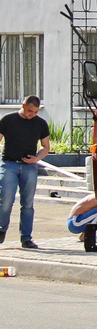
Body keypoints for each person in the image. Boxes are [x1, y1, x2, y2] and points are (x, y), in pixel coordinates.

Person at [0, 95, 50, 248]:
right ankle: (1, 230)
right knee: (6, 199)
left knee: (28, 203)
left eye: (35, 112)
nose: (32, 114)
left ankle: (26, 238)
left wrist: (37, 158)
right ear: (23, 105)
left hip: (29, 167)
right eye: (29, 111)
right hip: (9, 164)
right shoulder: (8, 120)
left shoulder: (40, 124)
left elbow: (46, 147)